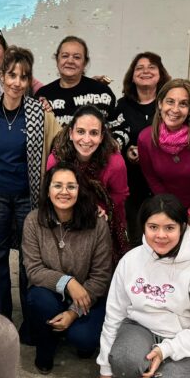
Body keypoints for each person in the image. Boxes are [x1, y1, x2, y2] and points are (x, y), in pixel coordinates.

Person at [93, 194, 190, 378]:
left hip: (179, 338)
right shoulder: (130, 261)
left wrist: (167, 349)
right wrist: (105, 365)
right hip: (138, 330)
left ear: (182, 227)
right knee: (122, 360)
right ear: (143, 226)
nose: (160, 235)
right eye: (153, 227)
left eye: (169, 228)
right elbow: (114, 314)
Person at [0, 46, 59, 323]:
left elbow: (57, 147)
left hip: (28, 197)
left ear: (28, 81)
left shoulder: (38, 111)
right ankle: (1, 316)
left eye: (23, 77)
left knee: (29, 259)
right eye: (11, 75)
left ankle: (31, 318)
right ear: (2, 76)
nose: (16, 82)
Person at [23, 164, 113, 373]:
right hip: (51, 292)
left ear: (80, 190)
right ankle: (47, 344)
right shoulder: (33, 221)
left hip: (88, 296)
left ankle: (72, 329)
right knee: (38, 300)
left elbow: (101, 277)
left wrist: (73, 312)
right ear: (48, 190)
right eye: (58, 186)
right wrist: (68, 283)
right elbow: (34, 270)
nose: (64, 192)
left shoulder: (97, 224)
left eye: (71, 186)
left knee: (84, 340)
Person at [137, 78, 190, 261]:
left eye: (183, 104)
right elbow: (152, 179)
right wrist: (172, 213)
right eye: (170, 101)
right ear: (160, 104)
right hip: (167, 211)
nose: (175, 109)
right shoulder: (145, 138)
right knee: (165, 262)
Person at [48, 105, 129, 262]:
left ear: (102, 136)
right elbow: (52, 192)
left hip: (104, 219)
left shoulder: (114, 161)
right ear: (71, 133)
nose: (86, 140)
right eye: (80, 132)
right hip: (67, 212)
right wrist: (85, 206)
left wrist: (103, 209)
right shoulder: (57, 158)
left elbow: (120, 194)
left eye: (93, 133)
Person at [114, 52, 172, 245]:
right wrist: (127, 152)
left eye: (151, 67)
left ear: (160, 74)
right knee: (137, 240)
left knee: (163, 238)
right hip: (133, 186)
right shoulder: (121, 106)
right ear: (132, 75)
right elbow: (114, 139)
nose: (145, 71)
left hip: (164, 184)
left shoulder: (169, 105)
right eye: (139, 68)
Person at [36, 36, 118, 129]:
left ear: (85, 63)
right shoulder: (44, 94)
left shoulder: (101, 92)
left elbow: (118, 127)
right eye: (65, 56)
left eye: (77, 57)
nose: (70, 61)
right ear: (57, 60)